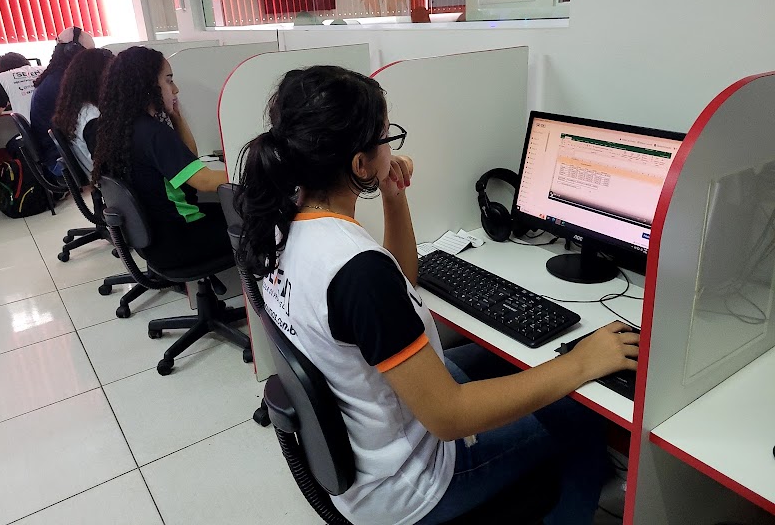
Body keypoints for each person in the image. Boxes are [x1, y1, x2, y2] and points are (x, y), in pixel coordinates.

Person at [234, 65, 640, 525]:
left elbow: (398, 287)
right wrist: (582, 361)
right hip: (414, 482)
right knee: (583, 418)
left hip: (366, 441)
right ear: (359, 164)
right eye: (386, 138)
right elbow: (448, 416)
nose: (392, 148)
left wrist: (393, 195)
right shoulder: (355, 268)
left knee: (510, 363)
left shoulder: (281, 225)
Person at [90, 46, 230, 269]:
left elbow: (190, 160)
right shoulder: (153, 133)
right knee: (257, 221)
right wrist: (253, 170)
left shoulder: (122, 128)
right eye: (169, 80)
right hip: (181, 239)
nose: (175, 89)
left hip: (156, 240)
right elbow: (204, 182)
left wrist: (177, 117)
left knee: (236, 212)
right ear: (148, 86)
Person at [30, 26, 96, 176]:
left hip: (59, 154)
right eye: (90, 53)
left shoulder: (58, 77)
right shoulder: (63, 84)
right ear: (74, 52)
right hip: (61, 161)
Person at [51, 48, 114, 175]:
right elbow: (109, 168)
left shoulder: (76, 110)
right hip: (112, 187)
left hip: (102, 183)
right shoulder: (93, 119)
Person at [0, 52, 42, 121]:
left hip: (37, 129)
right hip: (54, 125)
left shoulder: (3, 77)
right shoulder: (45, 69)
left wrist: (5, 103)